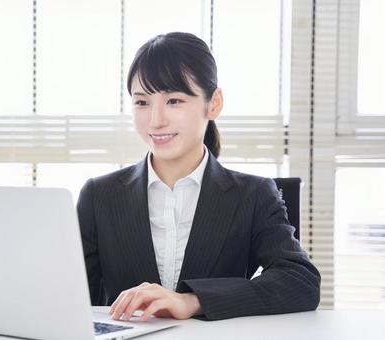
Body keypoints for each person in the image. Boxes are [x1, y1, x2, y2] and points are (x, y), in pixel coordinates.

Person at [76, 32, 320, 322]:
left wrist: (193, 301)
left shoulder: (253, 194)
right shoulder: (99, 195)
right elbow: (72, 297)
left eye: (174, 101)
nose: (156, 120)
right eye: (142, 103)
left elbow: (300, 281)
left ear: (213, 103)